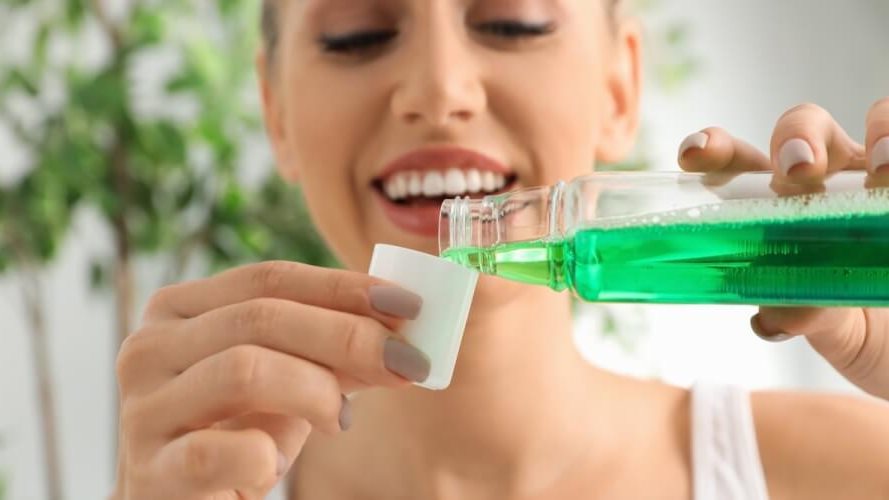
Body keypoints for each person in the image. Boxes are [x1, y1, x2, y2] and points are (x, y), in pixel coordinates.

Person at [110, 1, 889, 498]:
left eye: (514, 23)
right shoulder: (202, 480)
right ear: (274, 110)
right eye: (357, 35)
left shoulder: (846, 471)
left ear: (619, 87)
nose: (438, 90)